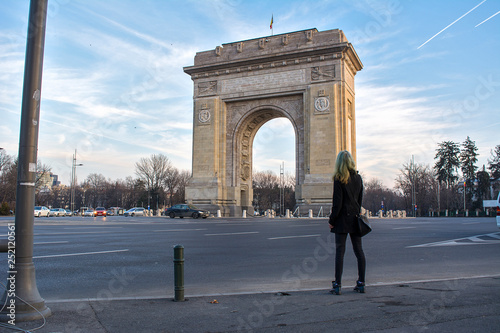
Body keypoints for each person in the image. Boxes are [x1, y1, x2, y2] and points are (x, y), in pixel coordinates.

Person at [328, 150, 366, 295]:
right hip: (355, 218)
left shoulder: (339, 179)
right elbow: (360, 200)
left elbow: (337, 204)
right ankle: (361, 283)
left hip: (342, 220)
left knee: (340, 253)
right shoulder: (359, 178)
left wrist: (332, 220)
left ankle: (337, 285)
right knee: (359, 251)